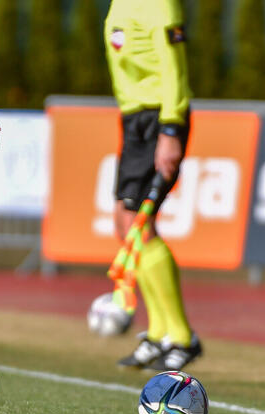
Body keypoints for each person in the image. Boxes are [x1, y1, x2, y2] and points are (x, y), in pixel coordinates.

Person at [104, 0, 201, 371]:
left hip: (158, 119)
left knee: (137, 225)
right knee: (124, 223)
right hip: (133, 121)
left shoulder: (161, 5)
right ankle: (161, 333)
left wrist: (172, 128)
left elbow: (174, 67)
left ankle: (180, 336)